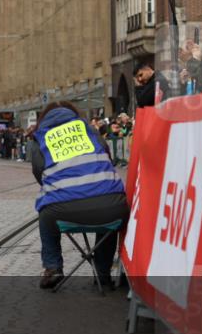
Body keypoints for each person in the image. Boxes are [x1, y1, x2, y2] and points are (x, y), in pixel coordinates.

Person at [28, 102, 127, 290]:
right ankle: (103, 276)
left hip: (63, 210)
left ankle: (53, 267)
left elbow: (39, 172)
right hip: (113, 207)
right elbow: (108, 156)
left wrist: (63, 188)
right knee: (108, 217)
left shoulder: (39, 137)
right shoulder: (89, 130)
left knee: (45, 214)